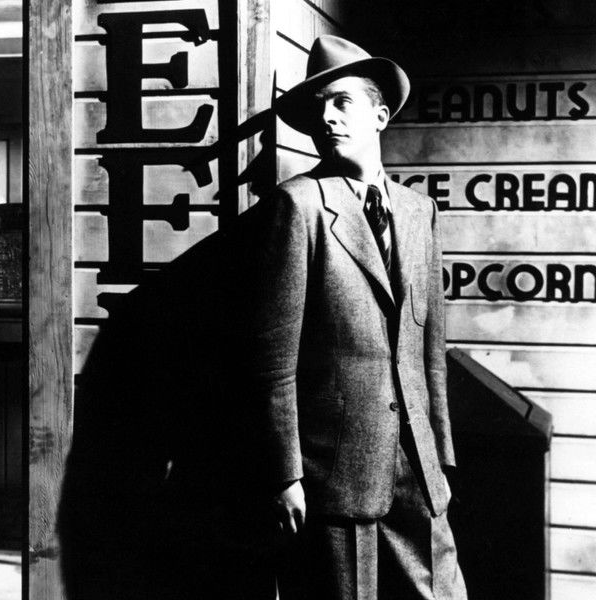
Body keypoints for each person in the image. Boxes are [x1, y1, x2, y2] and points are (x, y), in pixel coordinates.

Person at [244, 35, 467, 599]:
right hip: (336, 475)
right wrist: (285, 476)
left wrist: (441, 458)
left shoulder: (419, 212)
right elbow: (273, 362)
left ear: (380, 115)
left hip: (418, 470)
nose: (328, 117)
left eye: (342, 102)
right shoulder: (299, 206)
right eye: (319, 106)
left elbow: (430, 352)